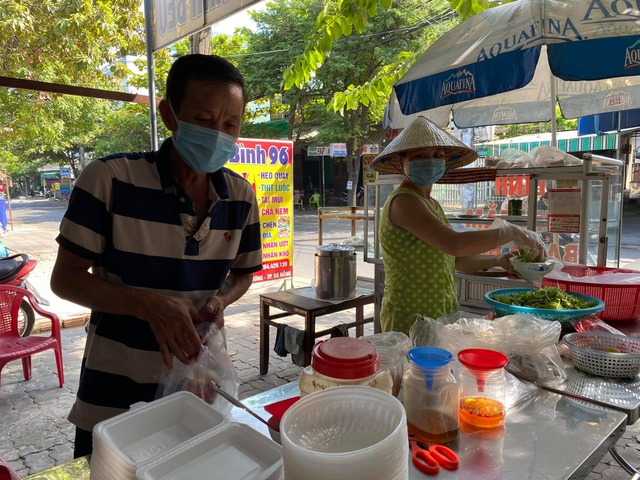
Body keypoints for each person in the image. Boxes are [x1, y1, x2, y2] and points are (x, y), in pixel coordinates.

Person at [50, 54, 262, 457]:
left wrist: (222, 299)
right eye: (203, 120)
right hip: (112, 400)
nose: (218, 134)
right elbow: (65, 279)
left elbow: (244, 274)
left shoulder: (241, 196)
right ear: (169, 114)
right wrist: (145, 304)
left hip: (197, 393)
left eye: (230, 125)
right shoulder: (109, 179)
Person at [369, 116, 546, 335]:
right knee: (415, 370)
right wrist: (510, 232)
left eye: (437, 155)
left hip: (439, 311)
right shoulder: (404, 201)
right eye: (420, 156)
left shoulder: (431, 203)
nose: (431, 160)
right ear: (403, 161)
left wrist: (498, 260)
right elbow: (455, 244)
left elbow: (454, 259)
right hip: (410, 314)